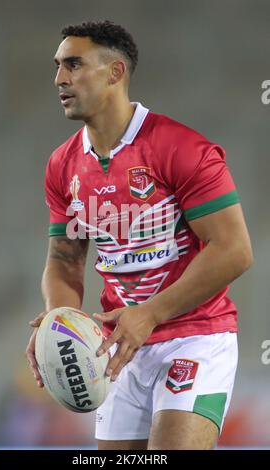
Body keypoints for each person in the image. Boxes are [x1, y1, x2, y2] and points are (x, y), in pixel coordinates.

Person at [26, 20, 253, 450]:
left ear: (115, 73)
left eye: (74, 64)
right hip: (121, 346)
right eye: (58, 66)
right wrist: (60, 321)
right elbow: (64, 259)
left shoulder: (181, 148)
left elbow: (235, 251)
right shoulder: (63, 165)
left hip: (195, 336)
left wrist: (150, 314)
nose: (60, 78)